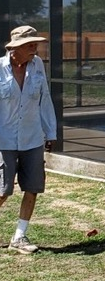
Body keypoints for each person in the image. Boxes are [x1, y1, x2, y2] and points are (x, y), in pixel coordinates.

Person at [0, 25, 57, 253]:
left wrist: (50, 132)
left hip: (32, 138)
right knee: (3, 190)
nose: (35, 48)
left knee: (32, 187)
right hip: (4, 140)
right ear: (15, 48)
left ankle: (19, 237)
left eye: (36, 44)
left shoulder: (38, 66)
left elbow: (45, 99)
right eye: (30, 44)